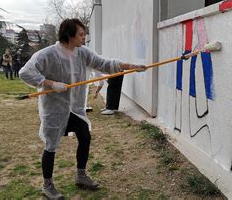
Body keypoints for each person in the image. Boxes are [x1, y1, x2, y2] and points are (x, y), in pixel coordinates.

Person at [19, 18, 147, 199]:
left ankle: (81, 176)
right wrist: (50, 84)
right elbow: (25, 72)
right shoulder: (47, 54)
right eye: (80, 34)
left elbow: (105, 64)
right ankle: (47, 185)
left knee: (85, 136)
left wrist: (131, 66)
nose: (84, 38)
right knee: (51, 146)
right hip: (54, 110)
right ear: (69, 35)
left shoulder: (83, 53)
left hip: (75, 108)